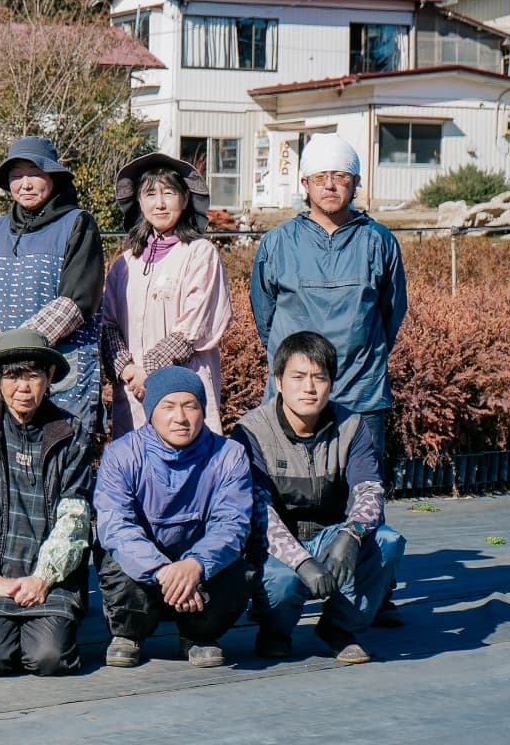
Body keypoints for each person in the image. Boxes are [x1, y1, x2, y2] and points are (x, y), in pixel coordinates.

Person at [249, 132, 408, 625]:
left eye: (342, 177)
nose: (332, 186)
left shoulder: (379, 241)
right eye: (322, 177)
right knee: (277, 492)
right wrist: (293, 372)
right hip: (290, 394)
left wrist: (361, 358)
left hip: (360, 389)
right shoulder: (277, 242)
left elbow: (391, 312)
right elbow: (264, 311)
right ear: (305, 184)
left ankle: (369, 594)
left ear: (356, 184)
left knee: (365, 490)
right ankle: (278, 583)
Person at [231, 331, 405, 664]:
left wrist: (351, 535)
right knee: (281, 582)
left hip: (331, 535)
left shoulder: (352, 427)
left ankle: (340, 628)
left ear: (331, 383)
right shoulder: (251, 431)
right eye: (298, 377)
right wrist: (300, 561)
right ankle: (274, 631)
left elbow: (369, 490)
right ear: (279, 381)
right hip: (276, 547)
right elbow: (258, 511)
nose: (309, 388)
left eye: (319, 377)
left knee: (387, 542)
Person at [0, 328, 93, 677]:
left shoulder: (70, 434)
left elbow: (75, 514)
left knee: (48, 658)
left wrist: (43, 577)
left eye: (33, 375)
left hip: (50, 578)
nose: (22, 387)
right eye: (12, 375)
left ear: (50, 376)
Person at [95, 366, 254, 668]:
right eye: (168, 406)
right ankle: (129, 633)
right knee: (114, 558)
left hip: (198, 570)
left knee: (238, 571)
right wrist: (162, 571)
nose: (180, 417)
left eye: (190, 406)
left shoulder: (229, 455)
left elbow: (232, 524)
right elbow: (116, 524)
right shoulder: (122, 454)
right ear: (152, 411)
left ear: (203, 410)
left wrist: (195, 565)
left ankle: (198, 634)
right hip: (146, 567)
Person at [0, 137, 105, 422]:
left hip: (62, 373)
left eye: (34, 174)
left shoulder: (78, 223)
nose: (25, 184)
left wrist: (19, 348)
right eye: (16, 176)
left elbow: (77, 300)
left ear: (52, 177)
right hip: (2, 374)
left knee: (62, 455)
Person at [100, 152, 232, 438]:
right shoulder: (125, 262)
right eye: (150, 194)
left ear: (184, 200)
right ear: (139, 201)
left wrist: (148, 370)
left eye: (169, 193)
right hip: (133, 391)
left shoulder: (200, 253)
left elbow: (194, 328)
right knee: (138, 464)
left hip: (183, 384)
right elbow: (107, 323)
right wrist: (127, 370)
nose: (160, 203)